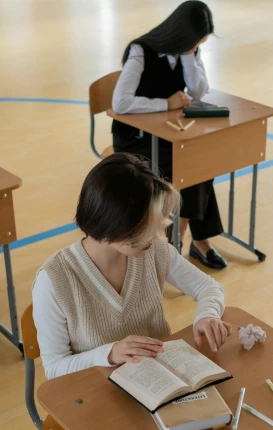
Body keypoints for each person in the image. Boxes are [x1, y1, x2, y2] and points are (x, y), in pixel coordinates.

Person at [32, 153, 230, 379]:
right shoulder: (54, 279)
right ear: (118, 225)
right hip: (96, 393)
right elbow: (55, 368)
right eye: (148, 228)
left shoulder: (152, 250)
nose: (157, 235)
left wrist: (207, 314)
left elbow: (209, 287)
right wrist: (110, 353)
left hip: (158, 381)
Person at [111, 0, 227, 270]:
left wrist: (189, 56)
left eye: (199, 44)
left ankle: (185, 237)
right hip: (136, 138)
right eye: (194, 42)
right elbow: (121, 103)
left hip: (166, 134)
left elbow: (199, 91)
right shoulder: (141, 50)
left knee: (202, 159)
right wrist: (166, 104)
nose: (197, 48)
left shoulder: (188, 51)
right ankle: (188, 241)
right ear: (180, 34)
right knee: (194, 165)